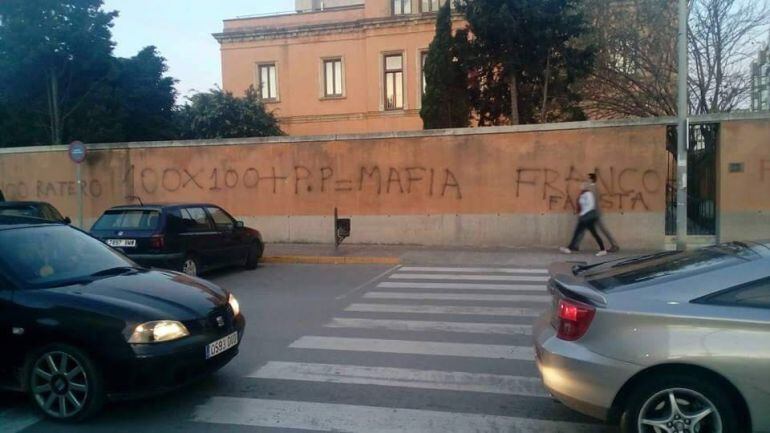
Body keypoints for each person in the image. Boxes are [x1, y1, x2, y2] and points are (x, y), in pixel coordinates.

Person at [560, 181, 608, 256]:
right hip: (584, 217)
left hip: (588, 217)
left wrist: (583, 214)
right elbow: (581, 205)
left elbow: (591, 205)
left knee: (594, 233)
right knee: (577, 232)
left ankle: (603, 249)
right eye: (581, 186)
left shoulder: (589, 194)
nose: (581, 187)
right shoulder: (582, 194)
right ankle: (569, 248)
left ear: (586, 187)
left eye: (583, 186)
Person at [583, 173, 620, 252]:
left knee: (602, 229)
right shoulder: (593, 188)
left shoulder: (592, 188)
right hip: (594, 213)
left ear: (591, 179)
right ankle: (573, 245)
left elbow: (593, 202)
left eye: (588, 178)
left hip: (594, 213)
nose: (586, 179)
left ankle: (614, 245)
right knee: (583, 227)